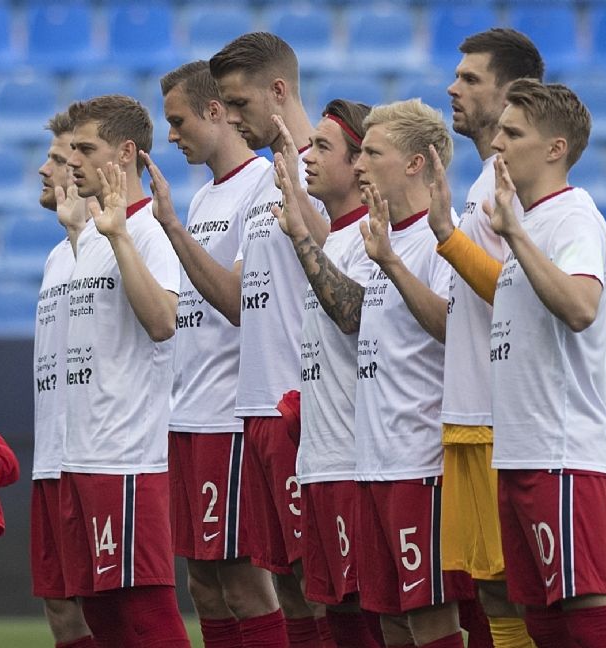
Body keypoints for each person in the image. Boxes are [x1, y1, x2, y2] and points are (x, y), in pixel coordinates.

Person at [140, 60, 286, 647]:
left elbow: (236, 301)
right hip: (189, 414)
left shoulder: (264, 183)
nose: (171, 135)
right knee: (203, 585)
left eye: (178, 121)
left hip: (230, 415)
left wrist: (172, 228)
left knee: (246, 584)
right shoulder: (203, 197)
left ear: (215, 110)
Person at [486, 79, 606, 648]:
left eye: (513, 132)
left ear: (555, 148)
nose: (497, 143)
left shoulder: (573, 217)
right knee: (543, 620)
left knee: (587, 612)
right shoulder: (530, 221)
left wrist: (515, 236)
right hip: (521, 450)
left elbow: (580, 306)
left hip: (560, 452)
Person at [209, 32, 332, 647]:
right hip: (255, 407)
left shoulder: (328, 168)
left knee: (323, 585)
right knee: (286, 584)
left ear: (278, 90)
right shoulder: (261, 181)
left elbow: (347, 262)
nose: (230, 119)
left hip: (301, 406)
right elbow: (242, 297)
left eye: (238, 103)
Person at [426, 28, 545, 648]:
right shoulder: (479, 182)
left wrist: (447, 238)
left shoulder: (517, 185)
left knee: (527, 590)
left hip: (503, 420)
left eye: (470, 79)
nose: (453, 87)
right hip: (467, 412)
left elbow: (518, 293)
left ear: (512, 92)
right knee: (493, 588)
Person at [57, 94, 189, 646]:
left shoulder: (148, 231)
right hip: (80, 454)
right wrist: (90, 233)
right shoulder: (91, 235)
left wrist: (118, 237)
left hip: (127, 457)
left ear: (126, 152)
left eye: (87, 149)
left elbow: (162, 321)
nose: (73, 161)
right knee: (101, 614)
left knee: (145, 612)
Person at [350, 99, 465, 648]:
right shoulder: (382, 237)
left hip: (421, 463)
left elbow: (452, 328)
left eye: (373, 153)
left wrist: (392, 264)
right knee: (391, 620)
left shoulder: (444, 239)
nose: (359, 165)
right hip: (374, 461)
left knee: (430, 617)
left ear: (417, 162)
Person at [273, 98, 386, 648]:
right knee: (334, 612)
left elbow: (352, 315)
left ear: (359, 161)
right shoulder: (337, 237)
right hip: (319, 460)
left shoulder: (374, 235)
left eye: (322, 147)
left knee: (372, 615)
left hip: (355, 461)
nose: (308, 158)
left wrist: (300, 236)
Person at [31, 111, 97, 648]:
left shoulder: (113, 244)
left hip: (94, 456)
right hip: (51, 454)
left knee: (104, 606)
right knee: (60, 609)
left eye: (56, 159)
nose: (44, 169)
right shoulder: (56, 256)